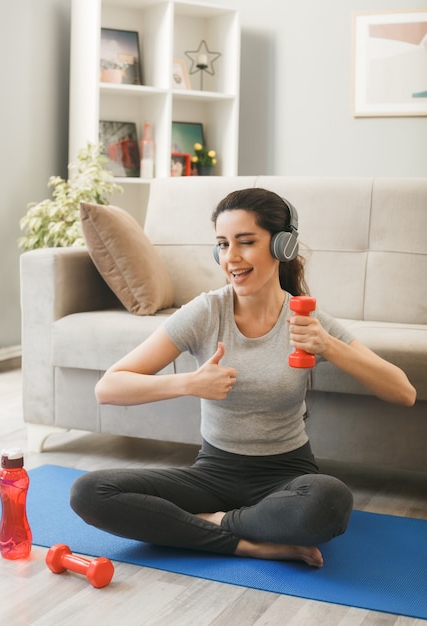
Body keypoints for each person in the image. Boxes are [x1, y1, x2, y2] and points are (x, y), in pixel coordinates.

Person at [70, 188, 416, 568]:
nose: (231, 257)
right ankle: (247, 544)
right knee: (89, 492)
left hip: (287, 476)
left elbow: (403, 391)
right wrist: (188, 383)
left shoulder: (306, 320)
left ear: (283, 246)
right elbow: (109, 387)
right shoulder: (206, 312)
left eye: (246, 242)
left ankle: (212, 526)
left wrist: (329, 346)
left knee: (330, 501)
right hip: (213, 475)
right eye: (222, 244)